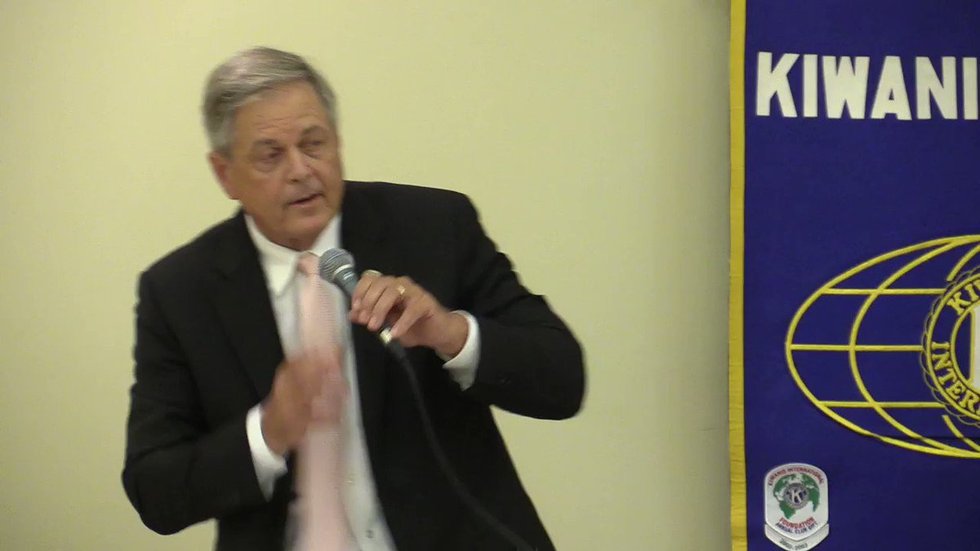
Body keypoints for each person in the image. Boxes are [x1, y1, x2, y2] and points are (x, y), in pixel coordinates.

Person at [122, 46, 585, 551]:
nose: (301, 170)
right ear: (225, 174)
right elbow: (155, 491)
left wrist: (451, 333)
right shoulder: (180, 292)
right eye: (271, 155)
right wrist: (268, 431)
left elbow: (563, 379)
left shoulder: (434, 228)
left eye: (314, 143)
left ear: (338, 141)